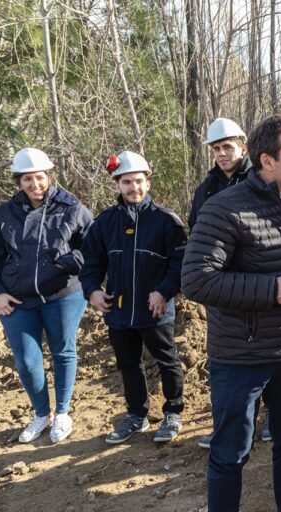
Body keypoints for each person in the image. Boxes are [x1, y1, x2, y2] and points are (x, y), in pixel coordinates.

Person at [181, 114, 281, 512]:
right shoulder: (224, 209)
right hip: (241, 357)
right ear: (267, 161)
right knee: (230, 452)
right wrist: (273, 289)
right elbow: (196, 280)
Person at [0, 148, 92, 444]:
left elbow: (93, 248)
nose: (35, 184)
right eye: (27, 179)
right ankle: (42, 414)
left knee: (63, 351)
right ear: (19, 181)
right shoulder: (4, 214)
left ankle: (64, 412)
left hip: (64, 293)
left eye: (40, 177)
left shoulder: (72, 208)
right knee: (27, 362)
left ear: (49, 176)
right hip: (17, 300)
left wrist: (65, 263)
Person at [79, 150, 187, 444]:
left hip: (155, 309)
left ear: (148, 183)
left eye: (138, 181)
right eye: (126, 182)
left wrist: (163, 291)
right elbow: (90, 262)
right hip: (118, 310)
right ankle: (136, 415)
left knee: (167, 361)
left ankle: (173, 412)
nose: (133, 188)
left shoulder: (166, 221)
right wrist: (93, 291)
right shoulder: (104, 223)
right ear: (117, 185)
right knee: (129, 364)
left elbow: (180, 264)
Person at [188, 118, 271, 449]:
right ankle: (233, 427)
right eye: (216, 148)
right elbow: (197, 233)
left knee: (268, 354)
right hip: (221, 286)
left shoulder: (260, 181)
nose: (222, 153)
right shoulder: (206, 190)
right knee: (229, 361)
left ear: (244, 147)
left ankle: (271, 420)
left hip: (259, 281)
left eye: (228, 147)